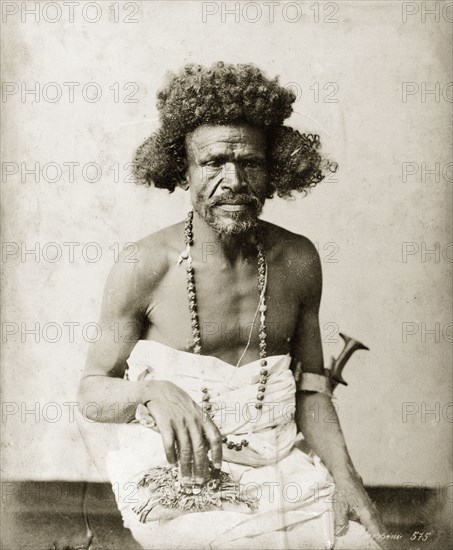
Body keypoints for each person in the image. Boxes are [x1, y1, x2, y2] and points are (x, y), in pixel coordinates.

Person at [77, 62, 388, 549]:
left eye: (251, 163)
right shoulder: (144, 264)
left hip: (280, 464)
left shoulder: (299, 259)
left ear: (275, 170)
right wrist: (151, 393)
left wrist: (348, 480)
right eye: (213, 161)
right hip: (177, 473)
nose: (234, 180)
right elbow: (92, 392)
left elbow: (310, 391)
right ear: (182, 168)